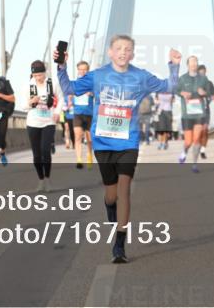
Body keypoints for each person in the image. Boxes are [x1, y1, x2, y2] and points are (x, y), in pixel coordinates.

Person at [56, 37, 180, 263]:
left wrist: (174, 66)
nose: (123, 52)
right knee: (111, 195)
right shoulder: (97, 76)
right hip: (103, 143)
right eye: (119, 49)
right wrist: (61, 67)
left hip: (128, 142)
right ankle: (110, 207)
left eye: (128, 49)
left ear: (132, 54)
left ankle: (120, 244)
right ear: (110, 52)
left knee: (124, 190)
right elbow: (69, 89)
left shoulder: (141, 77)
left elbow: (168, 87)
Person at [26, 60, 58, 192]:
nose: (38, 78)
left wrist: (57, 113)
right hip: (33, 122)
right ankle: (40, 180)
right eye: (35, 75)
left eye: (40, 75)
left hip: (48, 121)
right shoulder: (28, 86)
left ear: (45, 73)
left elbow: (60, 99)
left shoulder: (52, 84)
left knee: (45, 151)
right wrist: (31, 102)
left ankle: (47, 179)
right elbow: (23, 106)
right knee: (37, 155)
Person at [177, 56, 209, 173]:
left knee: (196, 140)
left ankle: (194, 164)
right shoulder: (182, 79)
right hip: (187, 115)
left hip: (199, 114)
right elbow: (176, 90)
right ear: (188, 65)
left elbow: (210, 93)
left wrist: (204, 92)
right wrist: (182, 93)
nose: (194, 64)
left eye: (196, 61)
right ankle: (184, 152)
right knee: (188, 141)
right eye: (192, 62)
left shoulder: (203, 79)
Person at [70, 60, 95, 169]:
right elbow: (70, 94)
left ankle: (89, 155)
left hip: (89, 113)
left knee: (89, 138)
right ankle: (79, 159)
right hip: (78, 113)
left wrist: (92, 93)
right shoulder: (75, 83)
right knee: (78, 136)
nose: (82, 71)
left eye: (85, 69)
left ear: (88, 71)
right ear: (78, 71)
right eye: (80, 69)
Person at [199, 64, 214, 159]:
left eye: (204, 73)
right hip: (196, 111)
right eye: (200, 74)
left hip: (206, 110)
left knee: (205, 130)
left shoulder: (209, 83)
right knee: (200, 131)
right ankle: (198, 146)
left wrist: (211, 96)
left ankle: (202, 150)